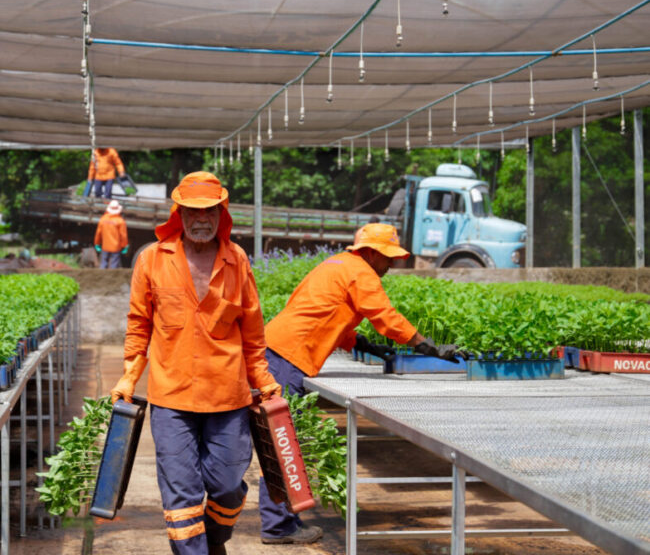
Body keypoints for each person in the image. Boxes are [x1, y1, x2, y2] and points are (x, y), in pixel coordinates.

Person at [258, 223, 464, 545]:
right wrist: (427, 345)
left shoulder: (337, 265)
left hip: (278, 350)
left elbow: (329, 315)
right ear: (370, 252)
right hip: (287, 358)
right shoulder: (361, 272)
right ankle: (278, 526)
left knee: (278, 441)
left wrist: (363, 345)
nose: (391, 265)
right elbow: (385, 315)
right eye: (387, 258)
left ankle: (280, 521)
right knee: (282, 444)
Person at [111, 171, 282, 555]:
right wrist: (128, 378)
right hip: (172, 400)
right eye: (192, 211)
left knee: (226, 486)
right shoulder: (152, 260)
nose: (200, 219)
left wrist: (265, 382)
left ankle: (214, 540)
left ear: (222, 213)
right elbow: (138, 326)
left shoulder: (236, 260)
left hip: (229, 398)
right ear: (179, 213)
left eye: (209, 211)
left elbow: (253, 332)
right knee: (182, 495)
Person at [94, 199, 129, 269]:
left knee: (103, 263)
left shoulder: (103, 219)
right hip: (116, 247)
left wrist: (97, 243)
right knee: (113, 265)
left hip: (105, 246)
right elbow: (123, 235)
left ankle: (101, 277)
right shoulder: (120, 221)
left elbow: (98, 233)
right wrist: (124, 246)